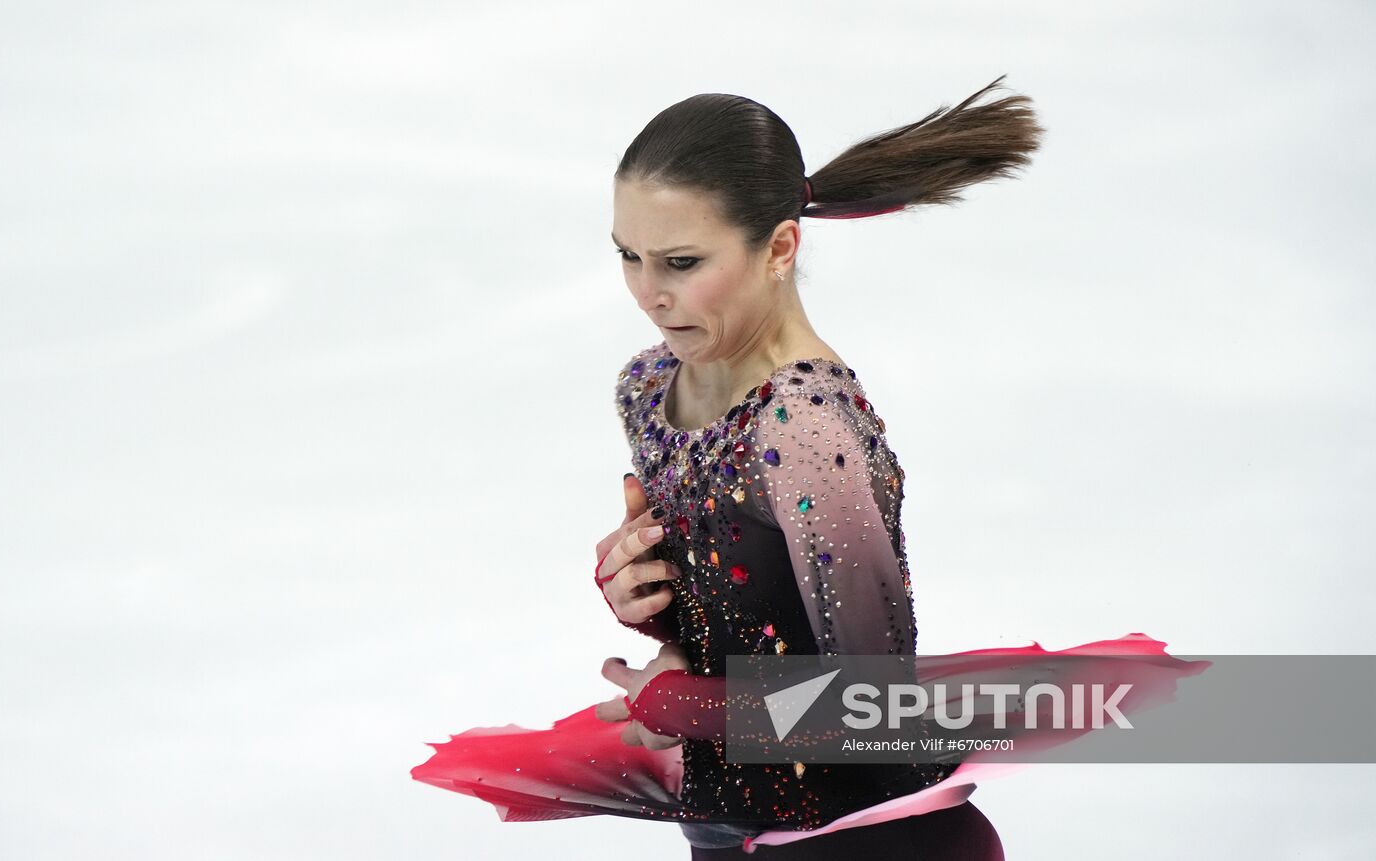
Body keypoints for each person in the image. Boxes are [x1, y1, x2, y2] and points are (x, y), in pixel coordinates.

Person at [411, 76, 1205, 858]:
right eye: (629, 255)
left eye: (682, 262)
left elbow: (879, 712)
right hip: (730, 829)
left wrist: (688, 704)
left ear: (780, 247)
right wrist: (644, 596)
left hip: (868, 840)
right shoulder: (649, 388)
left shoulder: (803, 432)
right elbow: (747, 611)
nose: (649, 294)